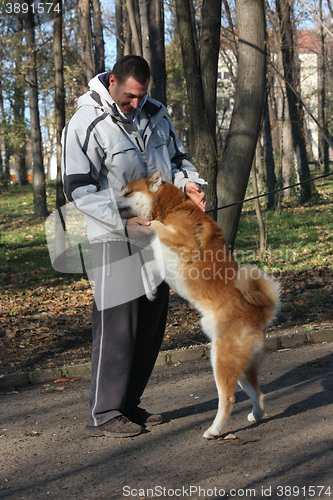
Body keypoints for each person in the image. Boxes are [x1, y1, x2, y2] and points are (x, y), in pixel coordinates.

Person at [61, 55, 207, 438]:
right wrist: (122, 221)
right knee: (117, 327)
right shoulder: (86, 122)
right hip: (115, 236)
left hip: (158, 233)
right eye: (129, 97)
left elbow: (177, 160)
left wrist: (189, 185)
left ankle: (128, 404)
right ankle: (104, 411)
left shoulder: (156, 114)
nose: (135, 105)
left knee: (150, 323)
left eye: (141, 97)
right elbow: (78, 188)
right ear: (112, 82)